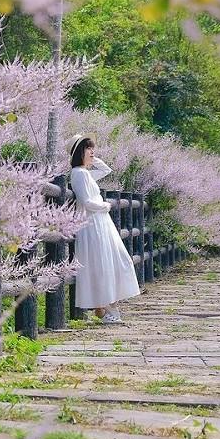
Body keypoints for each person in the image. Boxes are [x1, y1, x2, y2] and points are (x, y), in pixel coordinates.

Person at [68, 134, 140, 323]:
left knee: (114, 260)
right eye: (88, 149)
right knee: (102, 264)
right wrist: (105, 206)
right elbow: (86, 202)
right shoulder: (78, 173)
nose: (92, 152)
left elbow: (106, 170)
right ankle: (108, 309)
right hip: (93, 223)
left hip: (100, 223)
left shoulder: (84, 173)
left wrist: (92, 158)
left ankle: (108, 307)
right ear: (79, 152)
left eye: (93, 149)